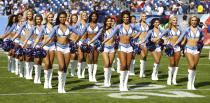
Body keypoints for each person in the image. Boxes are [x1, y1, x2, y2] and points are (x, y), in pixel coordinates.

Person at [41, 11, 86, 93]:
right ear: (58, 18)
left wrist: (75, 42)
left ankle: (62, 86)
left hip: (67, 48)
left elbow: (80, 33)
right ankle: (59, 86)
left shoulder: (69, 27)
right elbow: (49, 37)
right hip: (58, 48)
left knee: (65, 67)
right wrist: (42, 45)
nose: (62, 19)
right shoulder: (56, 27)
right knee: (61, 66)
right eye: (61, 17)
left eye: (64, 17)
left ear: (66, 18)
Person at [103, 11, 140, 91]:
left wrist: (134, 37)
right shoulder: (119, 26)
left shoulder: (132, 26)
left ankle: (125, 84)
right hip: (121, 47)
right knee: (123, 65)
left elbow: (140, 31)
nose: (126, 19)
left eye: (127, 17)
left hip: (130, 47)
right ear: (122, 18)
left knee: (128, 66)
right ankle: (121, 84)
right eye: (124, 17)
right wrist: (103, 42)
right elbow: (111, 35)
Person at [174, 15, 205, 90]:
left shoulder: (200, 29)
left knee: (194, 66)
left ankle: (192, 84)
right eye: (192, 20)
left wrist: (201, 41)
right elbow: (181, 37)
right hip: (188, 49)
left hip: (197, 49)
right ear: (190, 21)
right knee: (191, 65)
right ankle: (189, 83)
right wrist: (175, 44)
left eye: (195, 20)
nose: (194, 22)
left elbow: (203, 36)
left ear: (197, 21)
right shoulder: (187, 29)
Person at [156, 16, 184, 85]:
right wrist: (159, 40)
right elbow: (161, 35)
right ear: (171, 21)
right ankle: (169, 78)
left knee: (176, 64)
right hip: (170, 47)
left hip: (177, 47)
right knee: (171, 63)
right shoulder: (168, 29)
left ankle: (174, 79)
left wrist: (182, 42)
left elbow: (183, 36)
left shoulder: (179, 29)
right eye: (174, 20)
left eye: (176, 20)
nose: (175, 21)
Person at [88, 17, 115, 87]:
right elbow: (96, 37)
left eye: (110, 21)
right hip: (105, 48)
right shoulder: (102, 30)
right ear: (105, 22)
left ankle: (108, 80)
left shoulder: (114, 29)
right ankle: (106, 80)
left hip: (112, 48)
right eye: (108, 21)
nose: (109, 22)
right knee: (107, 63)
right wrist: (89, 43)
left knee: (110, 65)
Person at [33, 12, 55, 88]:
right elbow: (39, 37)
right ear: (46, 18)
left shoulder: (55, 26)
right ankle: (46, 81)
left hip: (53, 47)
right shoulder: (44, 27)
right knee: (47, 63)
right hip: (45, 47)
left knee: (51, 65)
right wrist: (34, 45)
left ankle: (49, 81)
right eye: (49, 17)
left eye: (52, 17)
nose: (50, 18)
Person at [12, 10, 35, 80]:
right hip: (26, 42)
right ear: (26, 16)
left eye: (30, 14)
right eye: (28, 14)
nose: (29, 15)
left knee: (32, 58)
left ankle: (30, 74)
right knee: (26, 58)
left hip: (34, 42)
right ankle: (26, 73)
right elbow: (18, 32)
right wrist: (13, 39)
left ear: (32, 15)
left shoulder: (35, 23)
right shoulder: (25, 23)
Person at [23, 14, 43, 84]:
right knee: (34, 60)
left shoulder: (44, 27)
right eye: (37, 19)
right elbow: (28, 36)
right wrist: (24, 43)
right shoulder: (33, 28)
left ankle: (38, 77)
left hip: (42, 46)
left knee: (40, 61)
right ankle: (31, 75)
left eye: (39, 19)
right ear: (35, 20)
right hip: (34, 45)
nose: (38, 20)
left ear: (41, 20)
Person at [86, 12, 103, 82]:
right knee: (90, 59)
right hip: (89, 43)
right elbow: (83, 34)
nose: (94, 17)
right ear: (90, 17)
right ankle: (90, 75)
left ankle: (94, 76)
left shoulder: (99, 25)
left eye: (95, 16)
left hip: (96, 43)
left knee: (95, 59)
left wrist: (101, 43)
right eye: (92, 16)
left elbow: (101, 35)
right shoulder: (87, 25)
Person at [136, 12, 149, 78]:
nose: (144, 17)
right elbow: (134, 33)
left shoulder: (147, 24)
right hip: (140, 41)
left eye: (145, 16)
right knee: (142, 55)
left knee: (145, 57)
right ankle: (141, 73)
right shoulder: (138, 24)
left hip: (146, 42)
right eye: (143, 16)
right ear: (141, 17)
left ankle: (143, 72)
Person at [77, 11, 88, 79]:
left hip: (86, 41)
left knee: (84, 58)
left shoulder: (88, 24)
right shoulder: (79, 24)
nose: (84, 16)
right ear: (81, 16)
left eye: (85, 15)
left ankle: (83, 73)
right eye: (83, 15)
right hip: (80, 41)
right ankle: (79, 72)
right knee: (81, 57)